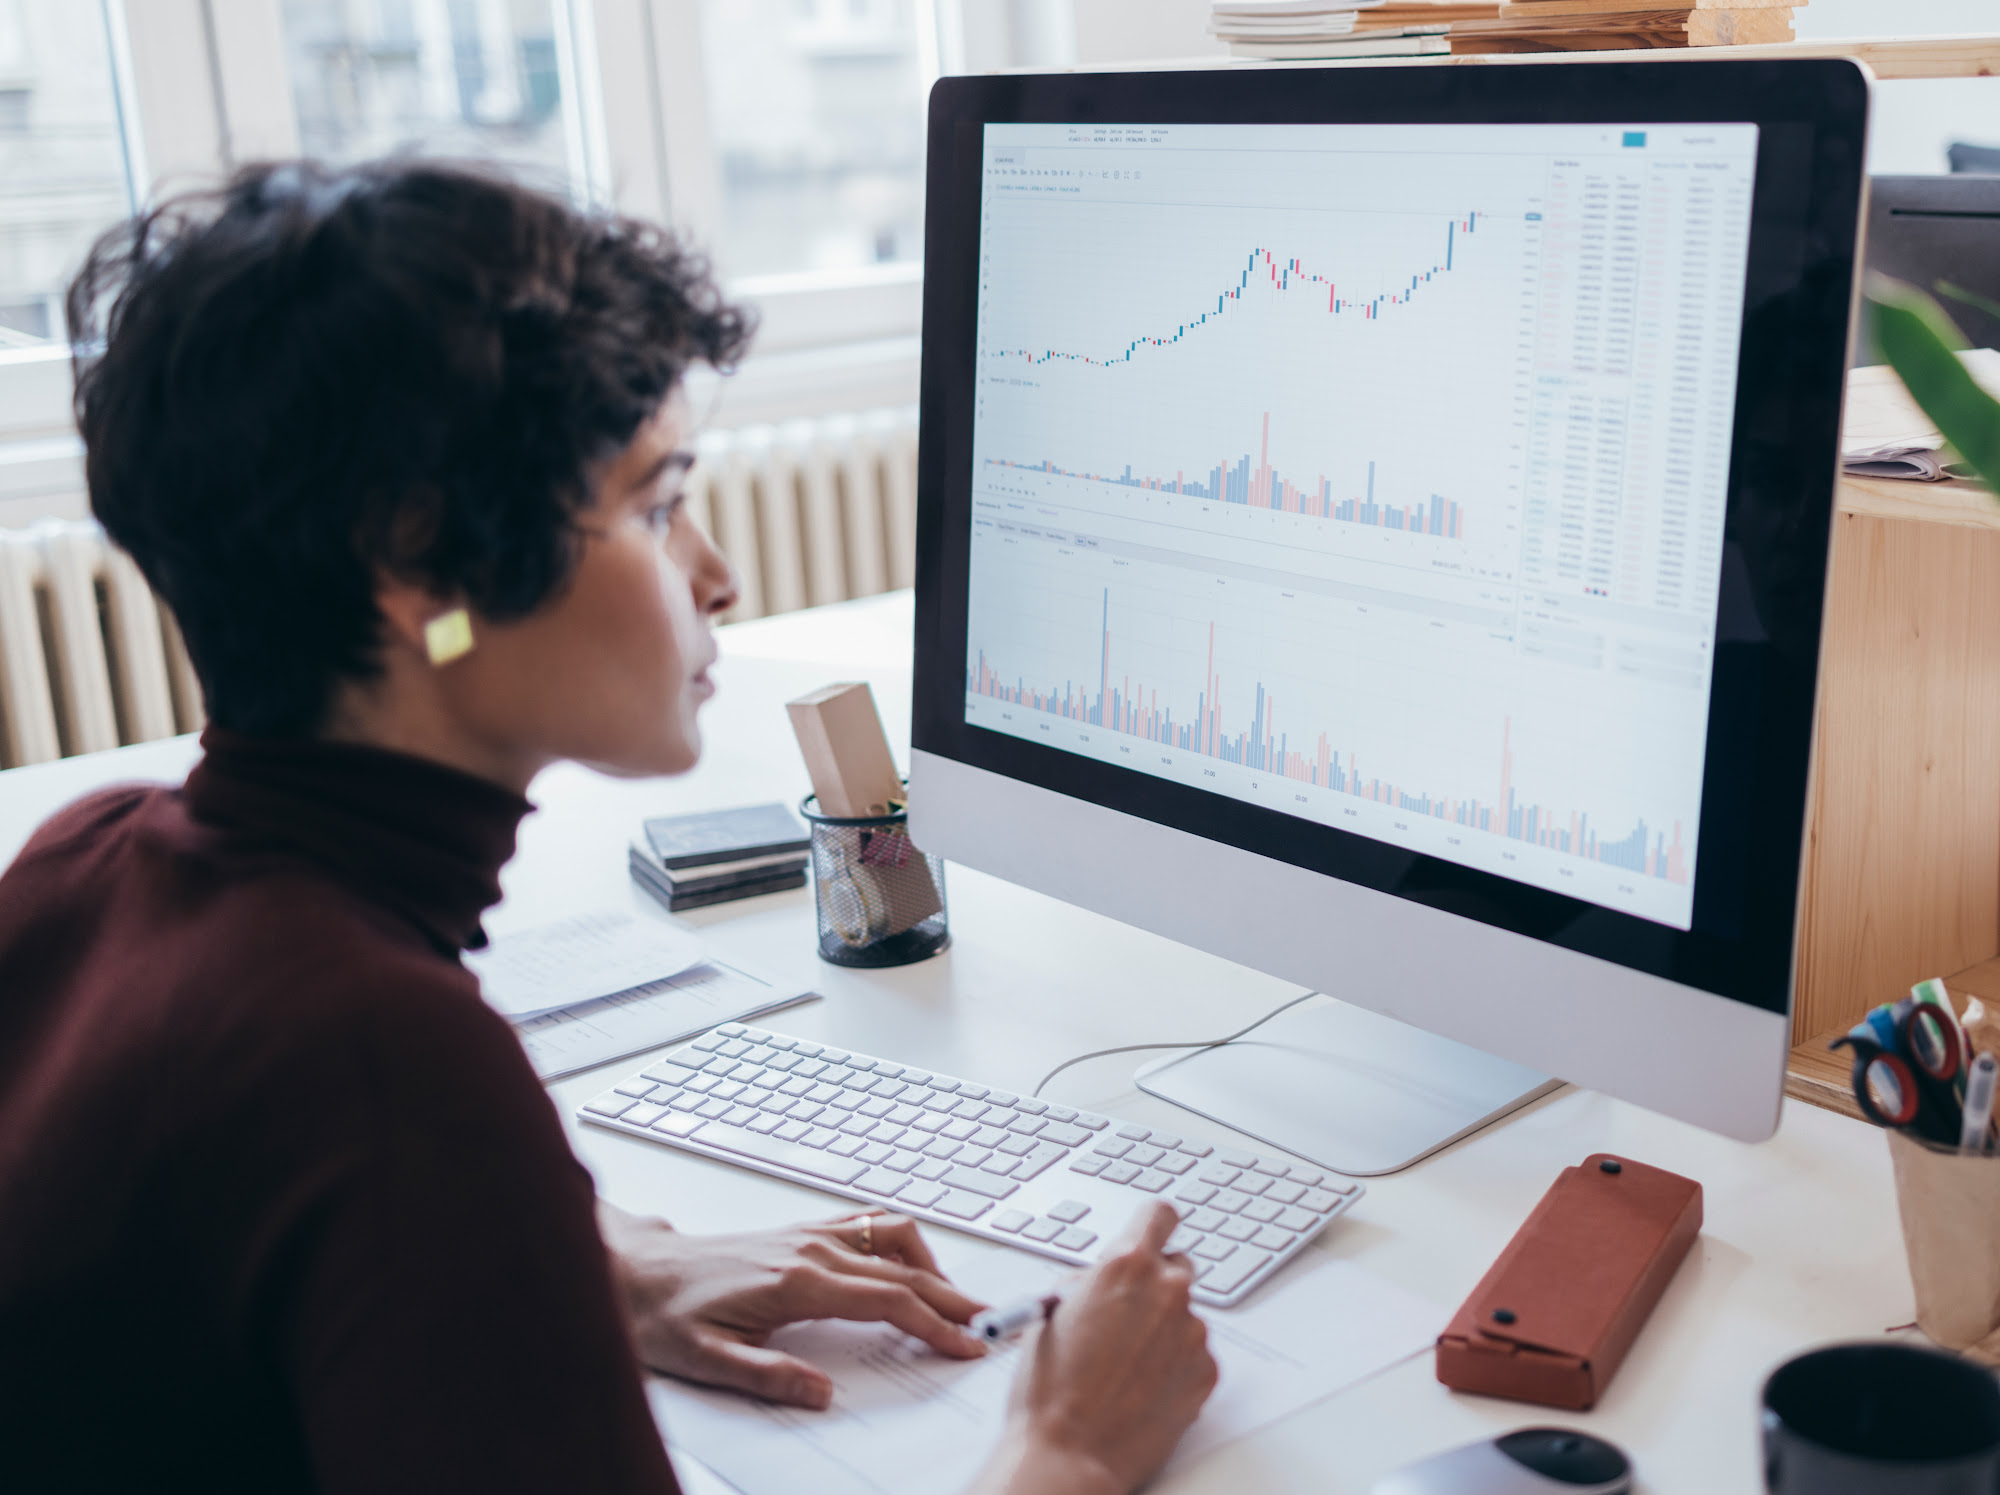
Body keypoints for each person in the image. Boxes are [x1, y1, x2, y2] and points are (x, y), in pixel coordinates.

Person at [0, 160, 1216, 1494]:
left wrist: (602, 1260)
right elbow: (365, 1142)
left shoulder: (83, 859)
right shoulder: (386, 1065)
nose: (716, 576)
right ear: (423, 571)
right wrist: (1067, 1452)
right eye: (653, 506)